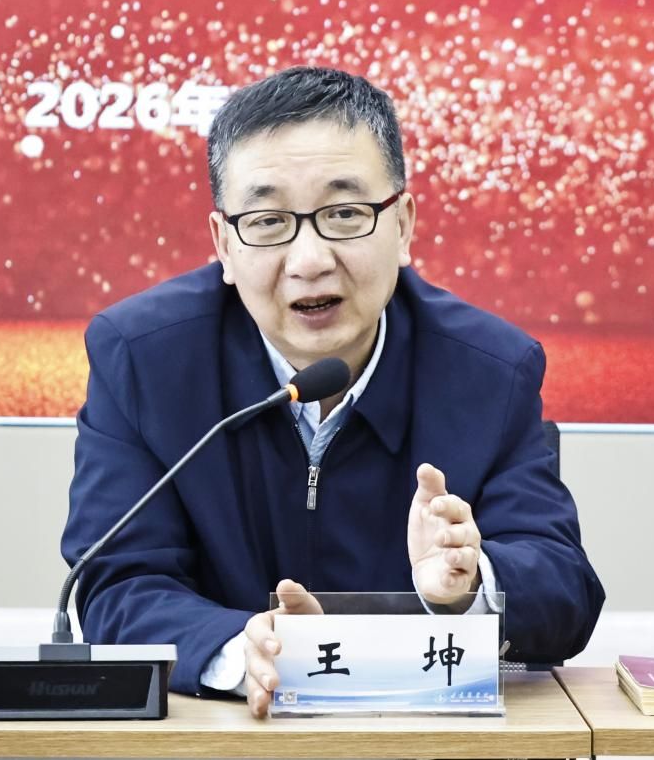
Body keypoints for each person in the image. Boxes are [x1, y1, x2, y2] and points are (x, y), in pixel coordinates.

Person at [62, 66, 604, 717]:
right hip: (224, 741)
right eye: (268, 221)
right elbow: (116, 583)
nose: (310, 259)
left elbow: (564, 588)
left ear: (403, 225)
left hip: (423, 746)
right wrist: (241, 651)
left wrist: (470, 584)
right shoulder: (144, 360)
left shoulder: (490, 370)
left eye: (344, 214)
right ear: (224, 244)